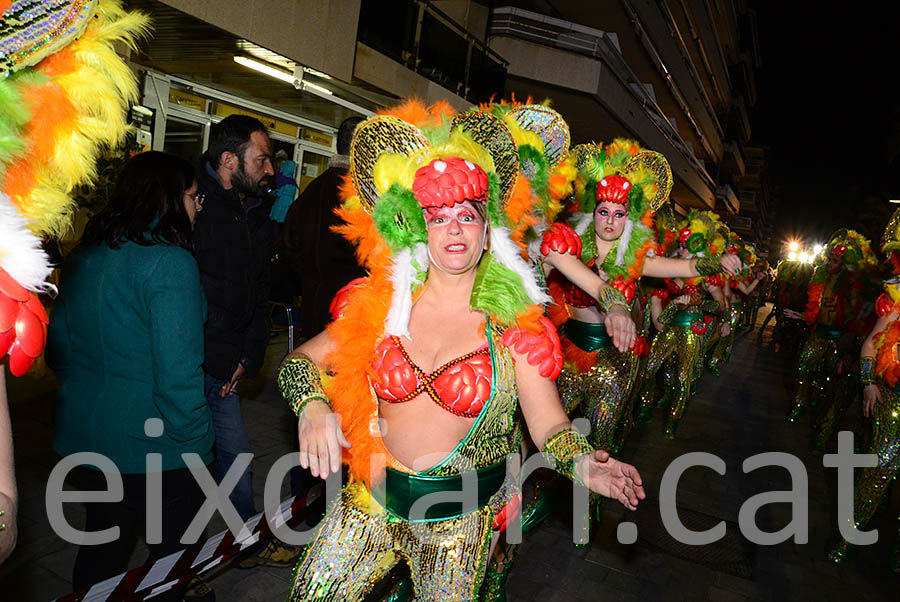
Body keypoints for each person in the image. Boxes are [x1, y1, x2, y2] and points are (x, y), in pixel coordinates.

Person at [277, 101, 646, 601]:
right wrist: (313, 404)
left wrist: (581, 461)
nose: (453, 228)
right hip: (369, 503)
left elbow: (548, 424)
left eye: (467, 215)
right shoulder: (384, 307)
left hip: (457, 526)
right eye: (438, 215)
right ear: (415, 226)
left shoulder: (516, 326)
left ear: (487, 228)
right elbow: (299, 363)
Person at [47, 151, 213, 597]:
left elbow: (57, 349)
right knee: (172, 562)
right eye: (196, 197)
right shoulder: (170, 263)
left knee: (101, 547)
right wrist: (198, 442)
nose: (199, 207)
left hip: (84, 438)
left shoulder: (84, 257)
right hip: (156, 449)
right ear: (169, 200)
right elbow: (178, 374)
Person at [829, 209, 900, 571]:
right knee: (882, 466)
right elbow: (872, 342)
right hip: (895, 399)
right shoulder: (897, 297)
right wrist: (869, 382)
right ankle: (847, 537)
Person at [282, 115, 366, 338]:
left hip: (312, 308)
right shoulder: (361, 199)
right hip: (349, 312)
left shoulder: (311, 191)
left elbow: (288, 243)